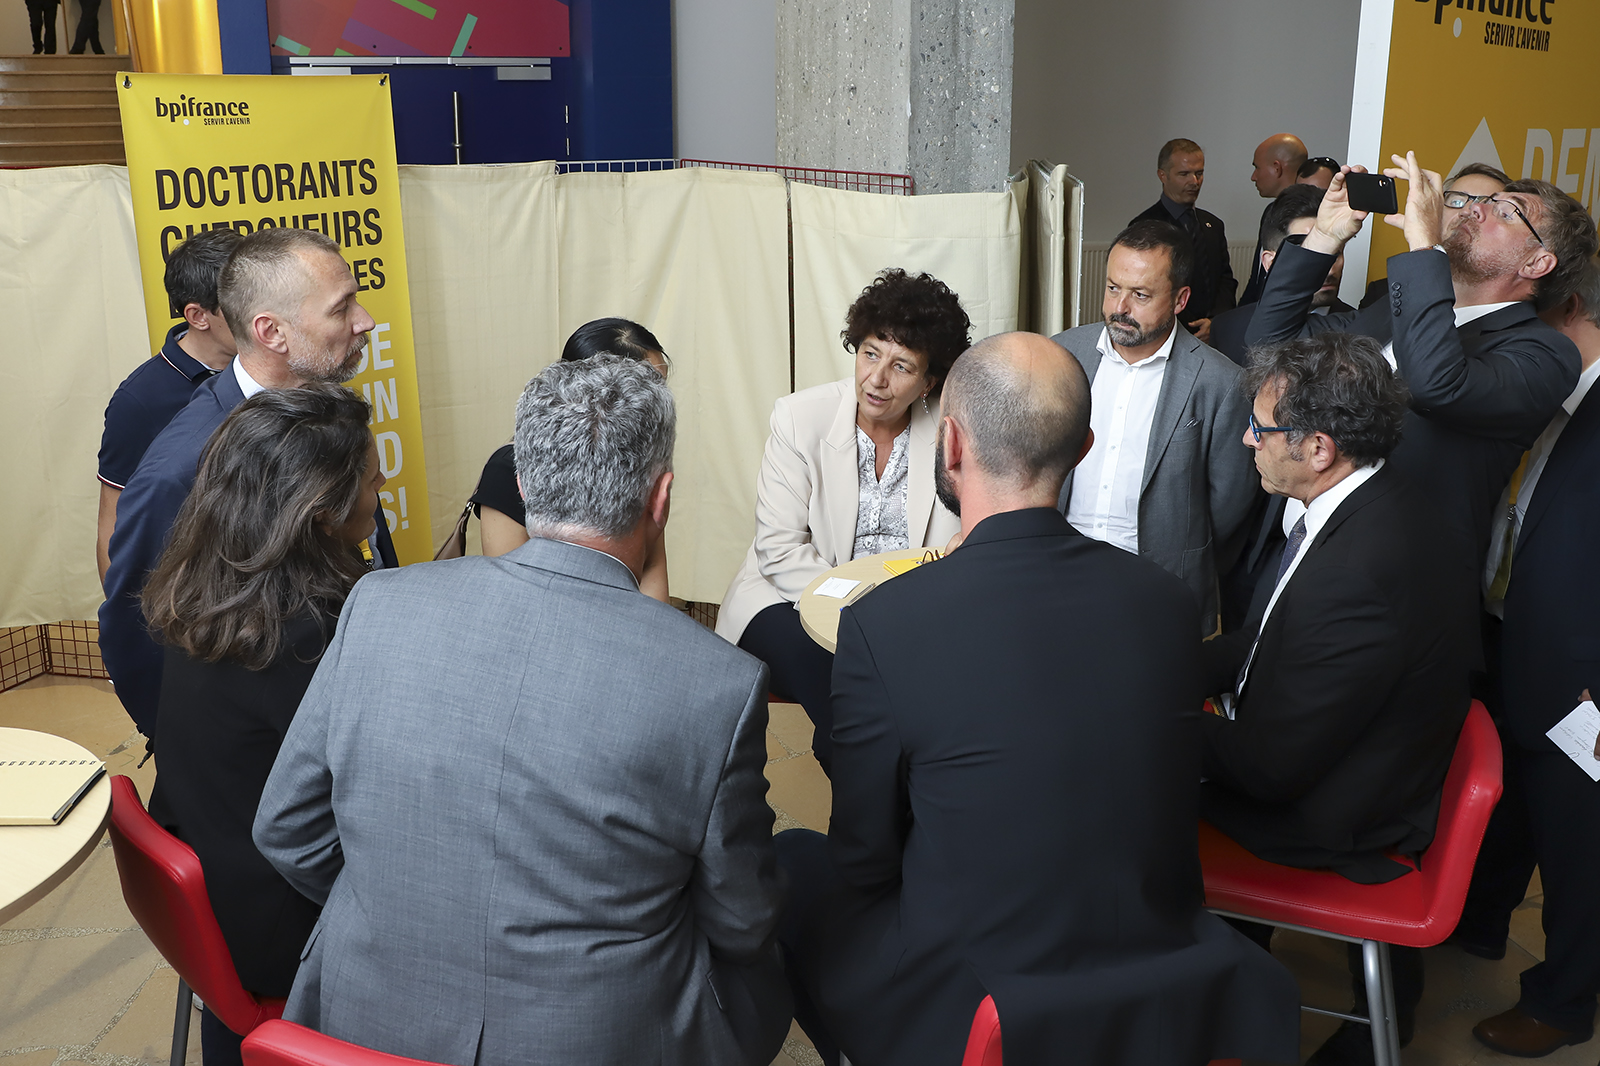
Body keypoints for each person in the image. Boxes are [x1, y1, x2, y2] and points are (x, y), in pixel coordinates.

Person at [774, 332, 1300, 1066]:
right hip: (1161, 961)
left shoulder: (885, 623)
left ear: (949, 443)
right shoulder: (1165, 601)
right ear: (1083, 449)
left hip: (983, 997)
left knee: (792, 863)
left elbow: (867, 861)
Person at [254, 355, 791, 1066]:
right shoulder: (719, 683)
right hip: (601, 1037)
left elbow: (287, 830)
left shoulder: (378, 606)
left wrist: (409, 912)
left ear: (527, 483)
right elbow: (742, 919)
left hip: (365, 1021)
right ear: (661, 498)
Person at [1202, 333, 1475, 1065]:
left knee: (1134, 800)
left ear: (1317, 447)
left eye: (1260, 428)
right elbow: (1261, 641)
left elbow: (1268, 770)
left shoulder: (1357, 571)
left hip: (1338, 815)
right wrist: (1166, 670)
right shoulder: (1375, 500)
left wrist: (1147, 713)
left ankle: (1213, 1013)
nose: (1245, 438)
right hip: (1360, 757)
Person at [143, 385, 383, 1066]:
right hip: (280, 931)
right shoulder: (312, 636)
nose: (383, 481)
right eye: (370, 475)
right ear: (321, 514)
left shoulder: (206, 592)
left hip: (220, 900)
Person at [1246, 156, 1593, 616]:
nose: (1476, 210)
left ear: (1537, 262)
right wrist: (1325, 237)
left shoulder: (1544, 354)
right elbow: (1269, 344)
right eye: (1478, 201)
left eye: (1507, 212)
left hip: (1397, 592)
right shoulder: (1395, 303)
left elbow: (1434, 385)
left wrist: (1425, 248)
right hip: (1298, 547)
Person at [100, 227, 386, 742]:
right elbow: (136, 624)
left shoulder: (327, 413)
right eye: (342, 308)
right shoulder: (184, 468)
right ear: (272, 332)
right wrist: (190, 749)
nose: (365, 322)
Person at [715, 268, 964, 772]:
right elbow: (779, 550)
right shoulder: (798, 417)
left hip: (906, 615)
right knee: (848, 701)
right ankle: (866, 836)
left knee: (915, 705)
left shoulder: (949, 429)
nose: (876, 378)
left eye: (901, 366)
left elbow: (962, 537)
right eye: (870, 353)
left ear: (928, 382)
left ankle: (864, 833)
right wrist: (866, 614)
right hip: (789, 599)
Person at [1459, 256, 1600, 1057]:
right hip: (1508, 632)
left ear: (1567, 306)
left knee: (1577, 843)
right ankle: (1480, 926)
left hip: (1581, 678)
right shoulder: (1545, 400)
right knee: (1512, 802)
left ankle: (1562, 1001)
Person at [1049, 219, 1256, 634]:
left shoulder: (1221, 381)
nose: (1119, 308)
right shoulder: (1061, 352)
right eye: (1112, 288)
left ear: (1180, 300)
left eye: (1140, 295)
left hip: (1159, 582)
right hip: (1057, 567)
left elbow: (1229, 503)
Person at [470, 317, 671, 601]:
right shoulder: (509, 468)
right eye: (649, 387)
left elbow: (654, 586)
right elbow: (511, 591)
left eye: (662, 386)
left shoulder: (643, 467)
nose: (661, 402)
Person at [98, 226, 241, 585]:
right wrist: (124, 627)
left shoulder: (271, 365)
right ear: (197, 316)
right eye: (240, 304)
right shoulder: (140, 400)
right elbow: (113, 524)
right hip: (196, 594)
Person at [1211, 184, 1347, 366]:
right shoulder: (1227, 328)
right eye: (1309, 254)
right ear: (1269, 262)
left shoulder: (1363, 327)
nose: (1329, 269)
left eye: (1336, 253)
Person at [1130, 138, 1236, 343]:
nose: (1194, 182)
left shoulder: (1213, 225)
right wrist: (1189, 328)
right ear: (1163, 175)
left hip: (1213, 334)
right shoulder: (1145, 226)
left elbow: (1225, 279)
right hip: (1166, 335)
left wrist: (1215, 322)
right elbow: (1144, 289)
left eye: (1199, 173)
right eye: (1184, 174)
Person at [1239, 133, 1310, 305]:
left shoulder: (1310, 218)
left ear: (1277, 168)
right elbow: (1257, 277)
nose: (1253, 176)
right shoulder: (1271, 212)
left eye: (1257, 167)